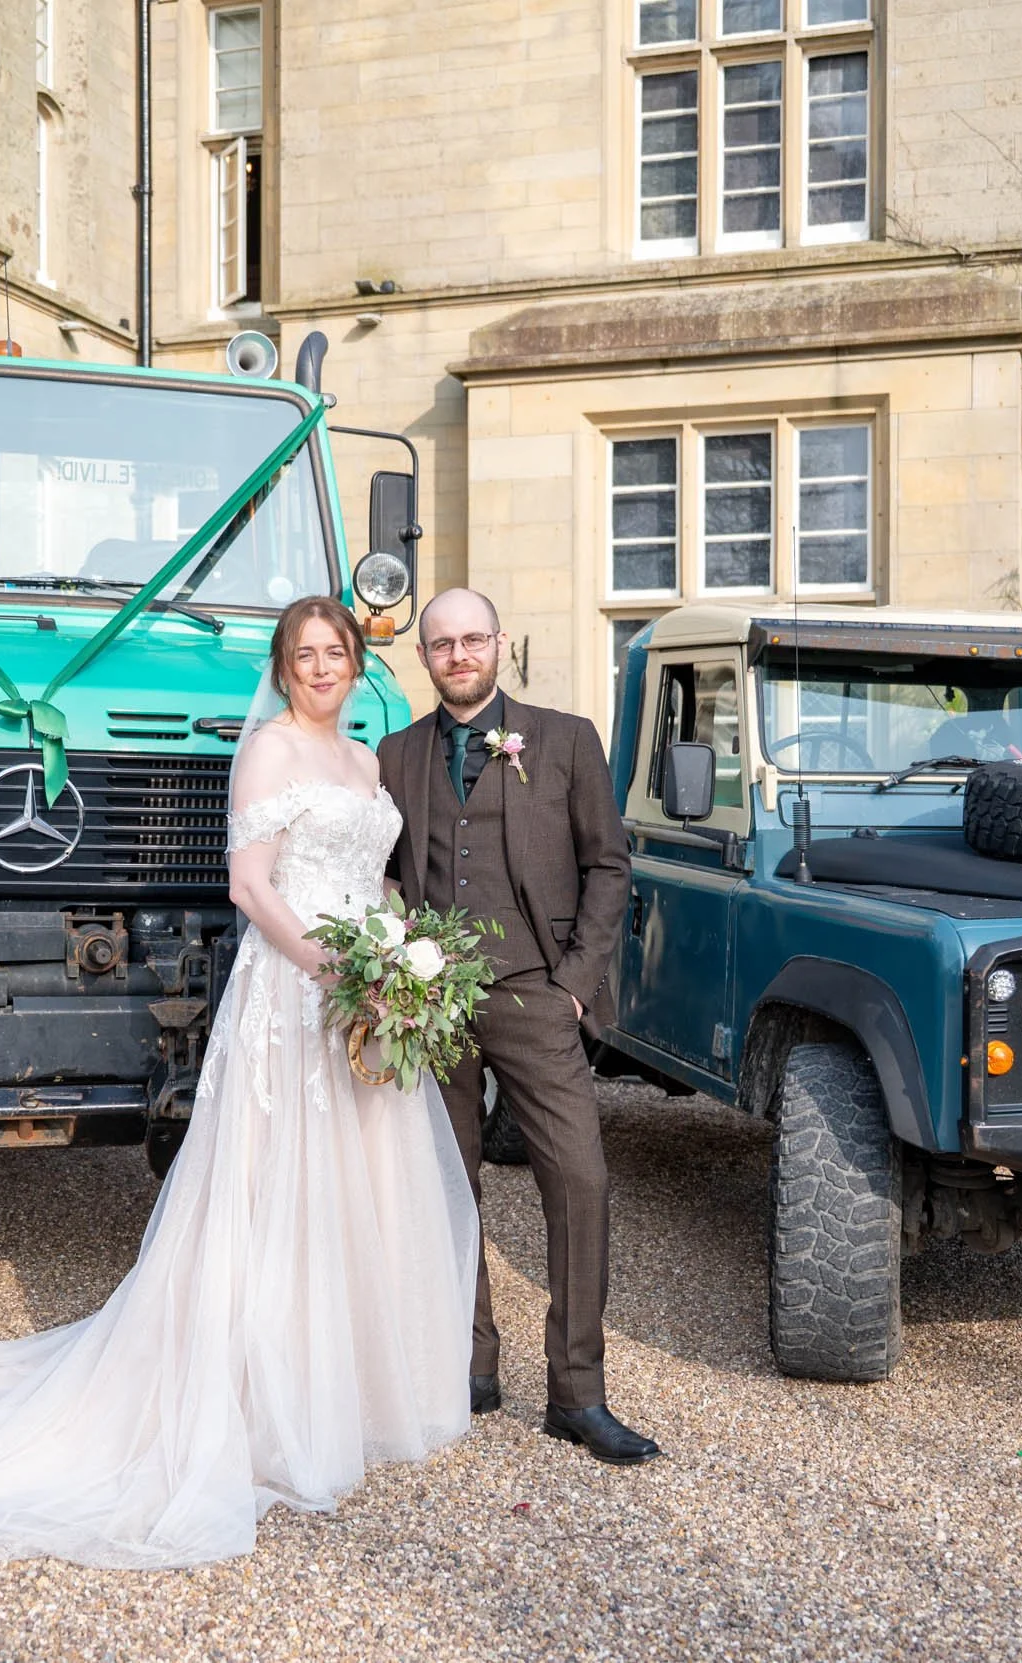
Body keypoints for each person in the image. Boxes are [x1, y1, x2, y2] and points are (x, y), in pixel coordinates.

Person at [0, 596, 481, 1568]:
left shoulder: (363, 760)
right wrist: (333, 966)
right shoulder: (267, 749)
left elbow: (378, 877)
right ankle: (258, 1395)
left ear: (356, 663)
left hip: (363, 986)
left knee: (356, 1186)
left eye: (335, 652)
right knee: (272, 1189)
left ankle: (341, 1387)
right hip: (293, 986)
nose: (321, 667)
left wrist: (396, 953)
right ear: (285, 665)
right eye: (303, 654)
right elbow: (251, 885)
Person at [376, 588, 659, 1465]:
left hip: (539, 991)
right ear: (424, 657)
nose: (459, 654)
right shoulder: (394, 753)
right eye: (442, 644)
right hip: (433, 1002)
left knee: (580, 1179)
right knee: (446, 1185)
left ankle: (577, 1394)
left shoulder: (567, 737)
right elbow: (378, 874)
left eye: (473, 639)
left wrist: (575, 987)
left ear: (501, 644)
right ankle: (471, 1366)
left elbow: (609, 869)